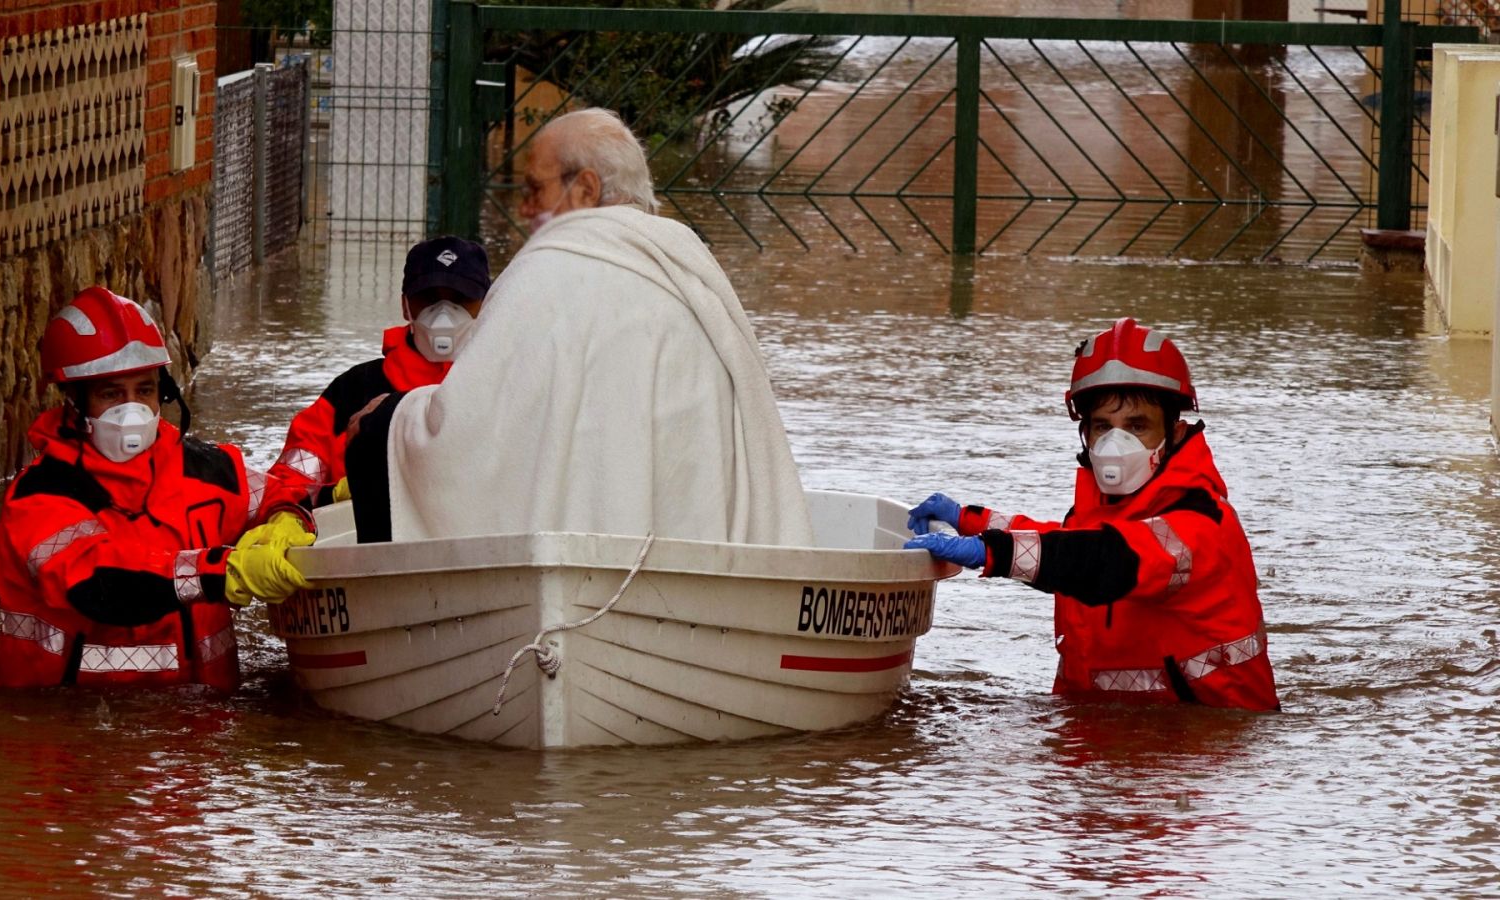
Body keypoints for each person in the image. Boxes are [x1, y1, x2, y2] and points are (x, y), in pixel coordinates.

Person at [345, 107, 813, 546]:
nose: (526, 210)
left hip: (571, 567)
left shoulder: (546, 270)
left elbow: (465, 435)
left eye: (535, 190)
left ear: (587, 189)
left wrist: (392, 419)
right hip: (696, 559)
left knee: (374, 437)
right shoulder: (691, 264)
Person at [904, 318, 1278, 711]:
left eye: (1137, 426)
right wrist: (970, 520)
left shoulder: (1200, 523)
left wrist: (992, 551)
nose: (1118, 442)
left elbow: (1106, 559)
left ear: (1175, 432)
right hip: (1105, 733)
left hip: (1203, 747)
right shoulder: (1101, 510)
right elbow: (1064, 540)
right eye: (1103, 426)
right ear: (1086, 433)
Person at [0, 286, 312, 690]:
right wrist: (224, 571)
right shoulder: (41, 496)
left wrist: (288, 520)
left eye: (144, 390)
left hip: (202, 732)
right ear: (72, 400)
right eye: (111, 393)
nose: (132, 410)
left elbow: (285, 493)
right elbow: (101, 585)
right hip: (75, 733)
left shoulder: (207, 469)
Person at [264, 235, 491, 508]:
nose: (444, 314)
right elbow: (290, 479)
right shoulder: (350, 392)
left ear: (487, 307)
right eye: (428, 298)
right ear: (405, 305)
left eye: (461, 298)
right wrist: (302, 506)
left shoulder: (504, 387)